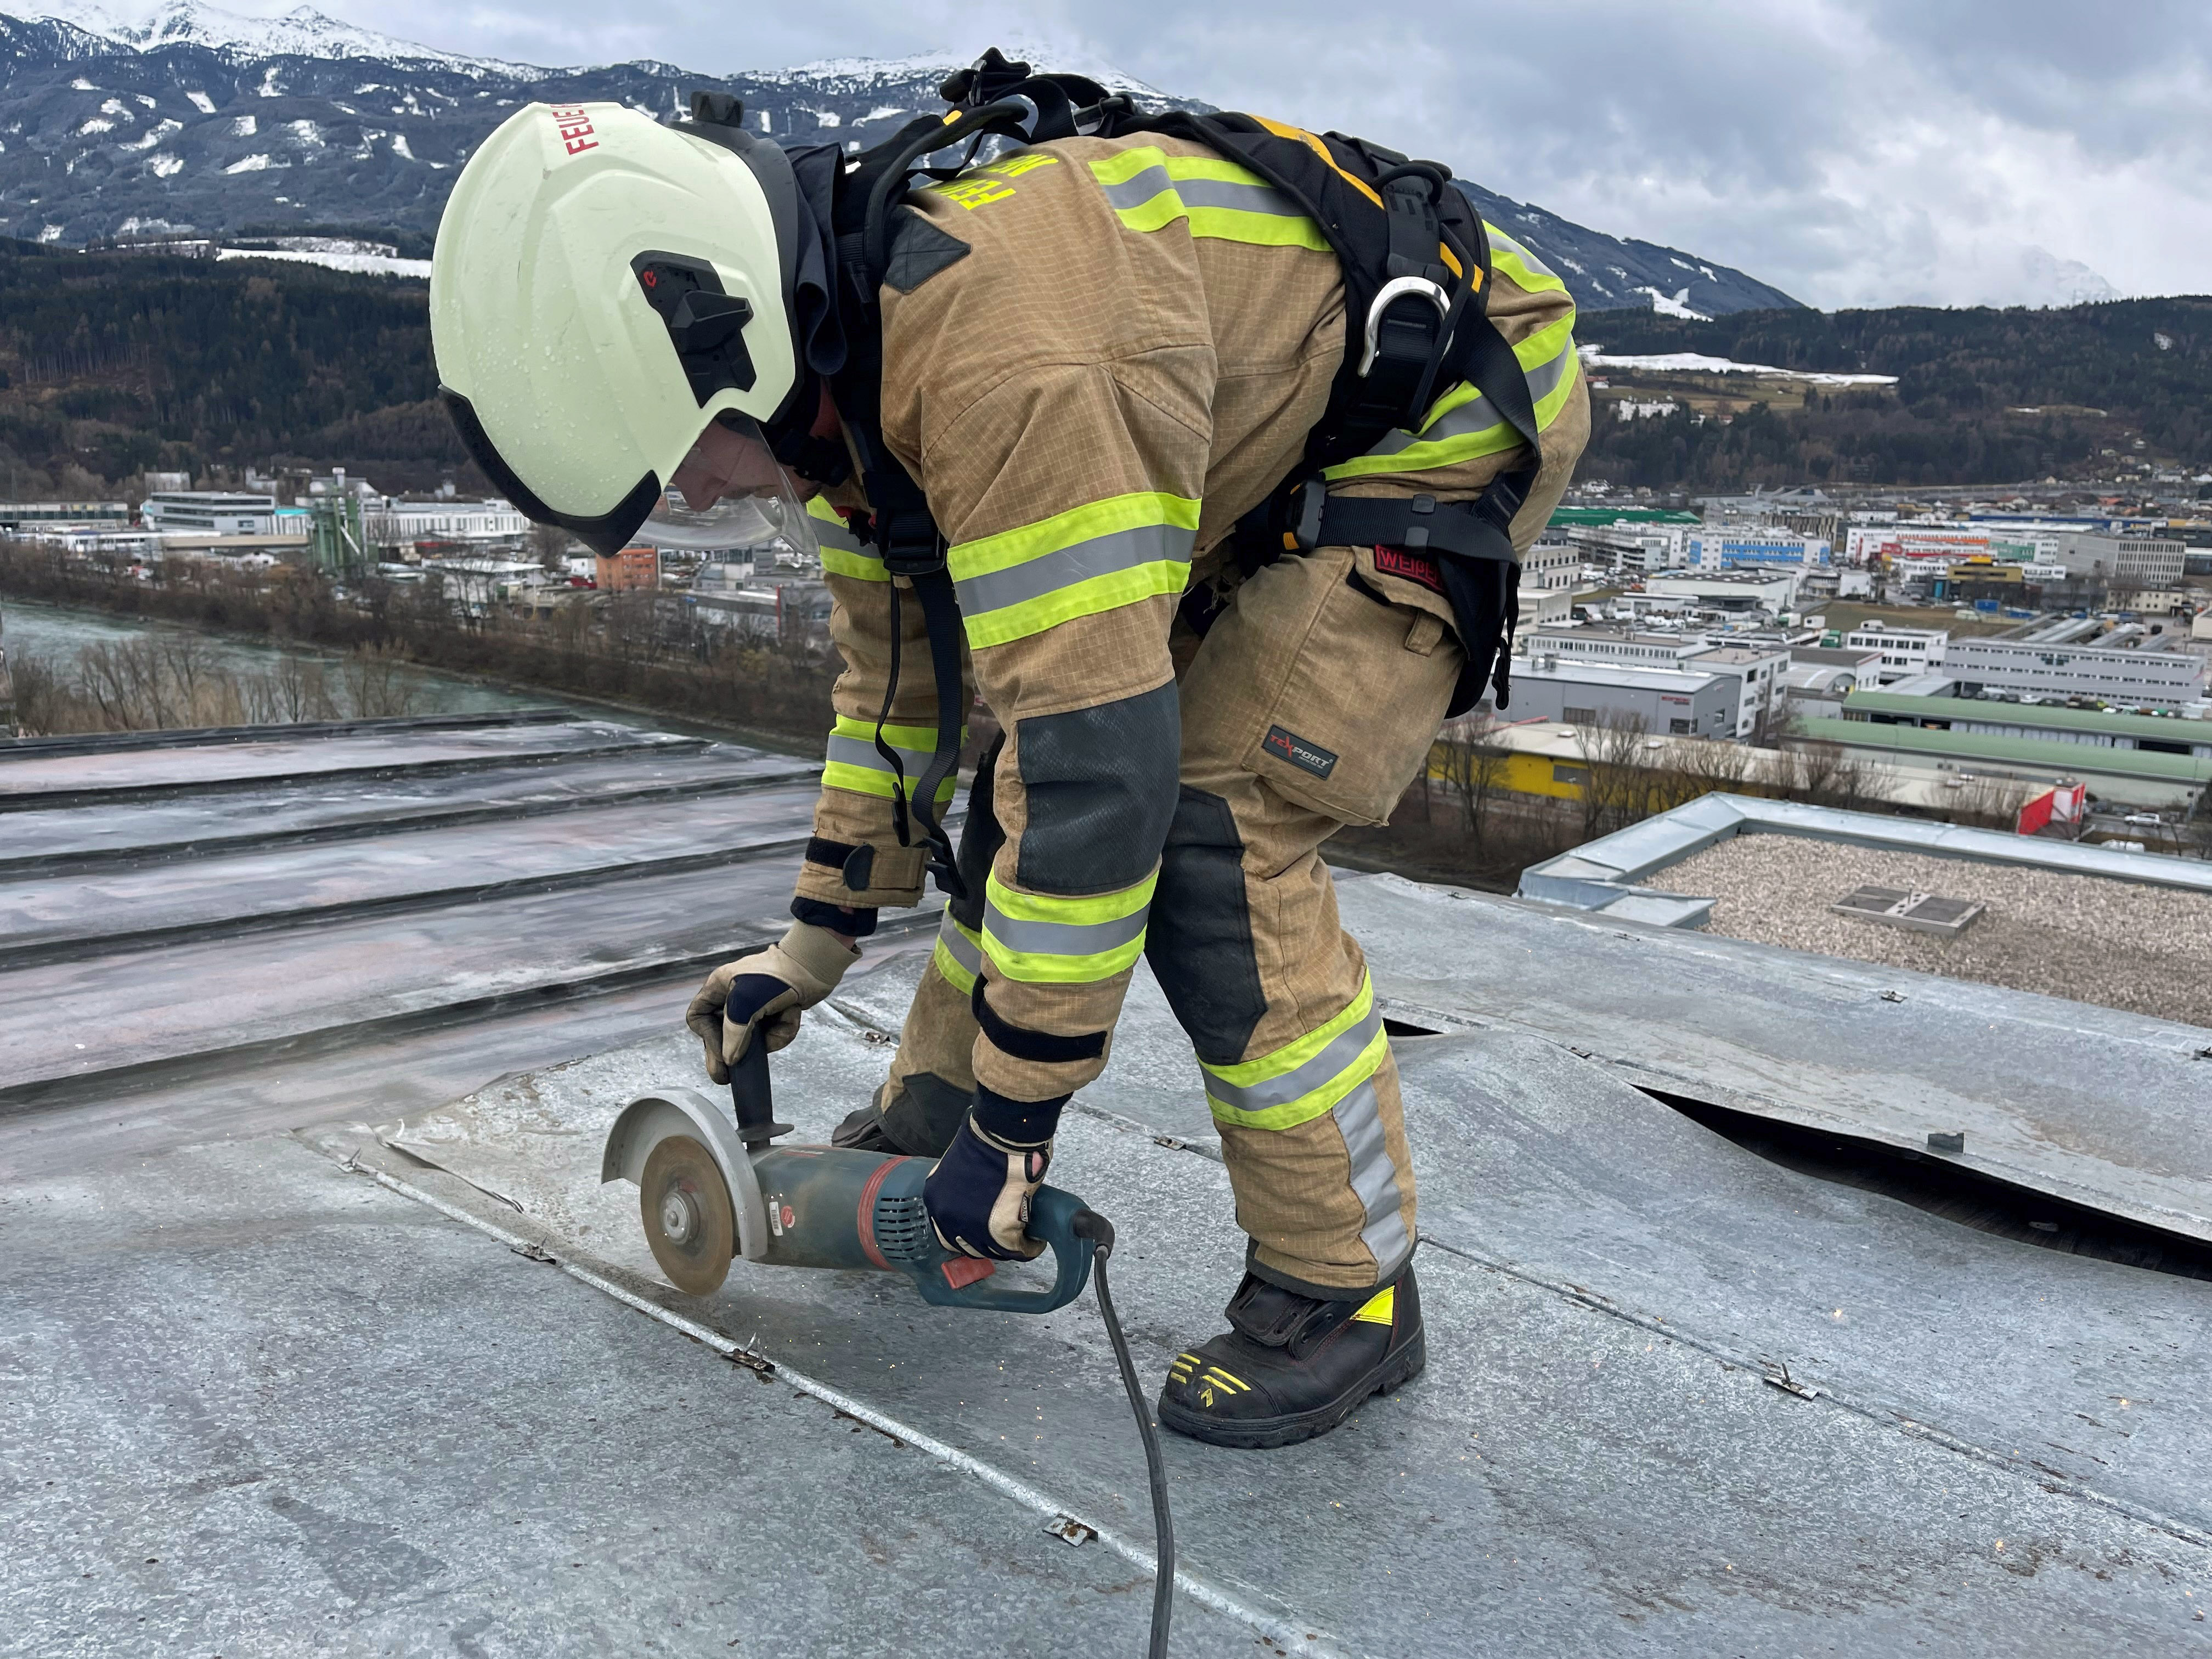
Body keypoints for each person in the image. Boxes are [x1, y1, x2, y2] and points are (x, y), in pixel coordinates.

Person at [430, 67, 1586, 1449]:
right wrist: (806, 946)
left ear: (717, 329)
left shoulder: (1007, 363)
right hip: (1237, 421)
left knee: (1212, 830)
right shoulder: (842, 387)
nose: (696, 494)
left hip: (1437, 424)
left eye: (689, 459)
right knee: (1025, 804)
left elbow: (1104, 776)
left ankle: (1350, 1289)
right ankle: (931, 1121)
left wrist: (1023, 1125)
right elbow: (898, 700)